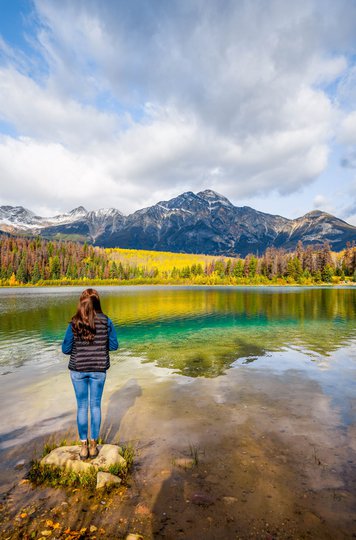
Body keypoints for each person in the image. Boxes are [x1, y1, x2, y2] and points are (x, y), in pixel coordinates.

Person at [62, 288, 118, 460]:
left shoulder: (74, 322)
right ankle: (94, 447)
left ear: (81, 303)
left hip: (78, 369)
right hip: (98, 369)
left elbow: (66, 349)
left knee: (82, 406)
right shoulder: (106, 321)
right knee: (95, 406)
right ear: (97, 303)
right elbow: (114, 346)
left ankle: (83, 447)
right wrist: (100, 344)